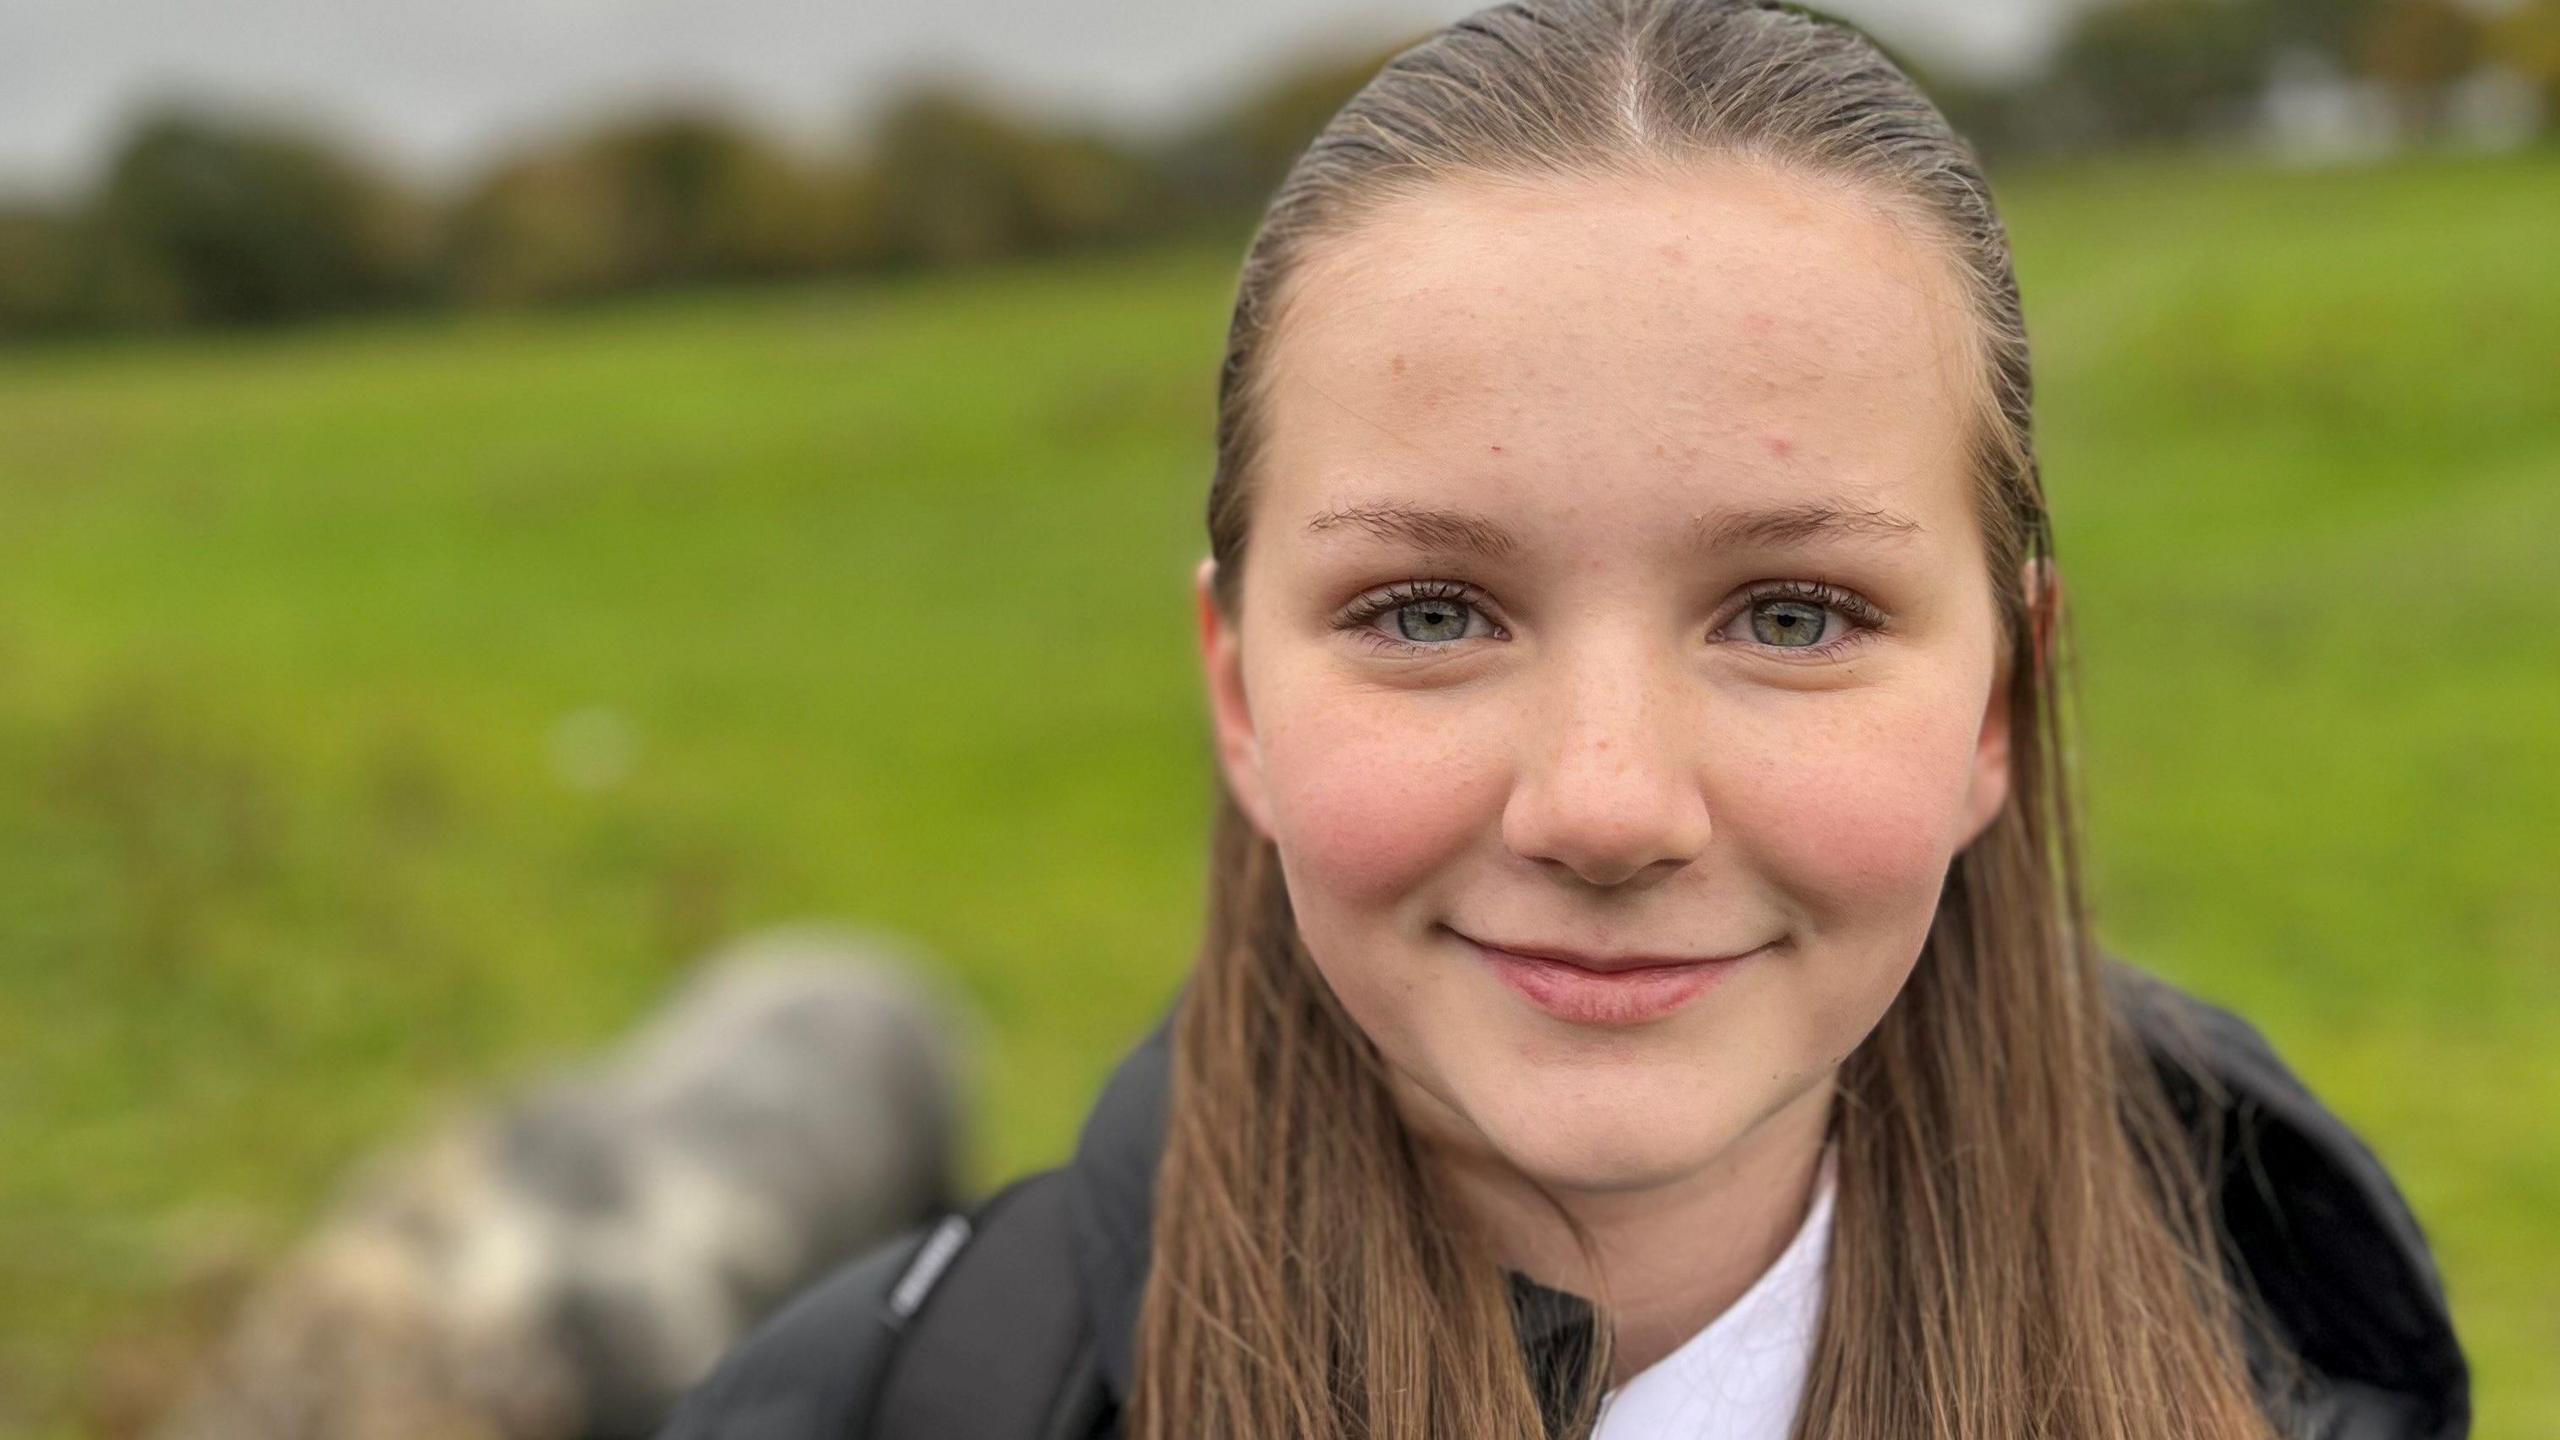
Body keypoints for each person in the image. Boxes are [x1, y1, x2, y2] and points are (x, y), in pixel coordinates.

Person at [656, 1, 2468, 1436]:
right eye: (1429, 612)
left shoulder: (2304, 1365)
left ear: (2004, 697)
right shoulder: (866, 1408)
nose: (1606, 808)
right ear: (1237, 695)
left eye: (1793, 614)